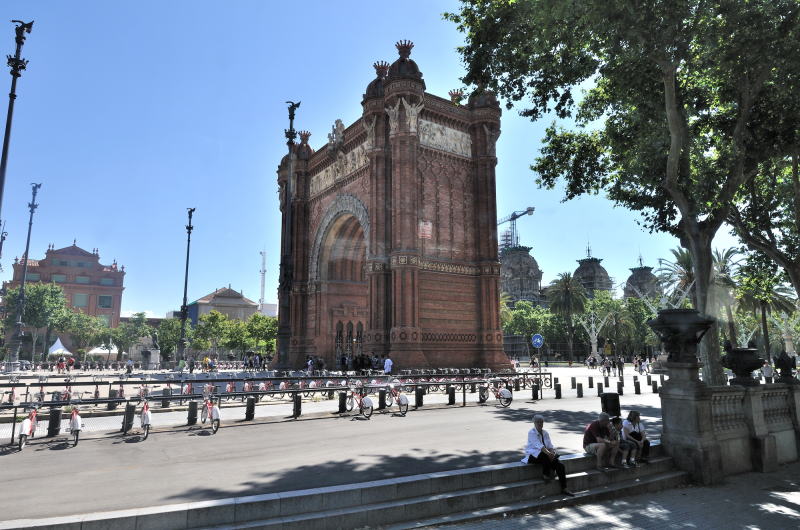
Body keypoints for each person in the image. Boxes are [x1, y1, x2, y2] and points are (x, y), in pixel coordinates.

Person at [521, 415, 574, 496]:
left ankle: (564, 488)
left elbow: (550, 446)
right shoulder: (531, 432)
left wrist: (552, 453)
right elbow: (540, 446)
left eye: (541, 422)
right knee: (545, 455)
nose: (540, 424)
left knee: (560, 465)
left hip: (545, 456)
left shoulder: (545, 433)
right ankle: (546, 474)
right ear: (534, 423)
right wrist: (549, 454)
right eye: (538, 422)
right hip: (533, 456)